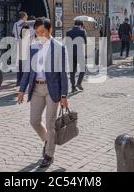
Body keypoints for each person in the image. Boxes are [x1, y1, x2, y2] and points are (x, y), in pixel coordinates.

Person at [17, 17, 69, 168]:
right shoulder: (33, 47)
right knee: (34, 121)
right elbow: (28, 71)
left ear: (50, 30)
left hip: (52, 89)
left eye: (42, 32)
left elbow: (63, 73)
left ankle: (49, 154)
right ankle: (48, 140)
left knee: (50, 123)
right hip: (36, 89)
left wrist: (64, 95)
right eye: (37, 32)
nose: (40, 35)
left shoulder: (59, 47)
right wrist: (21, 90)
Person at [67, 20, 87, 93]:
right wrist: (84, 32)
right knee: (83, 69)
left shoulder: (68, 32)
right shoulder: (82, 32)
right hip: (80, 53)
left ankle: (73, 87)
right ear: (81, 25)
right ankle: (78, 83)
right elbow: (85, 42)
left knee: (72, 71)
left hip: (71, 54)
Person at [13, 11, 28, 86]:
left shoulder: (15, 24)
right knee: (24, 63)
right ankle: (22, 80)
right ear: (24, 16)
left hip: (17, 44)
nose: (27, 17)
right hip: (24, 44)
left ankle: (18, 80)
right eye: (26, 16)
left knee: (18, 63)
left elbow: (14, 33)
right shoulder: (26, 24)